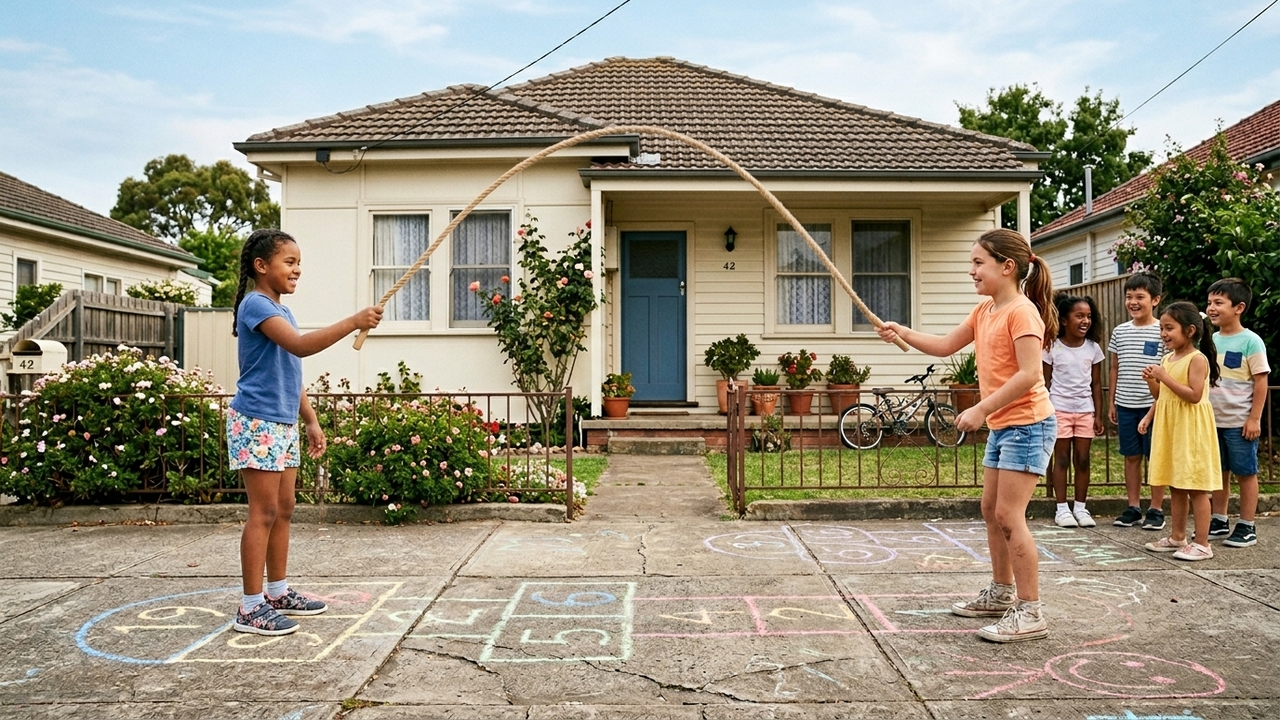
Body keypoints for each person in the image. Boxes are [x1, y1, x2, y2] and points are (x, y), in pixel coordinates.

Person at [878, 228, 1057, 643]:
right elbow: (944, 345)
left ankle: (1030, 610)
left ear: (1007, 267)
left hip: (1028, 425)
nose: (971, 271)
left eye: (979, 263)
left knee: (1009, 516)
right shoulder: (985, 311)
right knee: (991, 510)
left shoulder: (1022, 312)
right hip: (1005, 425)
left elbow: (1030, 374)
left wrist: (980, 408)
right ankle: (1001, 592)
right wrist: (901, 331)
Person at [228, 229, 383, 635]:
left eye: (299, 263)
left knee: (284, 508)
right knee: (263, 513)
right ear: (261, 266)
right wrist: (353, 322)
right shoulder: (255, 305)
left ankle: (277, 592)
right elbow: (299, 346)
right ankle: (250, 606)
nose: (298, 269)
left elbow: (290, 371)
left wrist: (310, 419)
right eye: (290, 262)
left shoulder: (280, 310)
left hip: (281, 422)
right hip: (257, 421)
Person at [1139, 301, 1222, 561]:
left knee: (1195, 487)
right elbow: (1161, 395)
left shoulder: (1197, 359)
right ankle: (1177, 536)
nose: (1163, 333)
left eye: (1169, 328)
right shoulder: (1167, 358)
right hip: (1172, 427)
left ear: (1189, 330)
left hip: (1190, 430)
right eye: (1162, 328)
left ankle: (1202, 544)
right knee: (1176, 483)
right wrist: (1153, 381)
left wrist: (1164, 377)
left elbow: (1194, 395)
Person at [1205, 278, 1270, 548]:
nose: (1211, 308)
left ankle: (1247, 525)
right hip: (1212, 421)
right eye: (1209, 302)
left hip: (1239, 422)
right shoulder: (1209, 340)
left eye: (1218, 302)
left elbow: (1261, 380)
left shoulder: (1251, 341)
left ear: (1239, 307)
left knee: (1245, 472)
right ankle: (1219, 519)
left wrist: (1254, 418)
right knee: (1218, 472)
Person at [1107, 273, 1167, 531]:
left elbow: (1168, 371)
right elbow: (1115, 367)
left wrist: (1156, 405)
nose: (1133, 302)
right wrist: (1112, 402)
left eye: (1140, 297)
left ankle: (1156, 508)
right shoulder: (1119, 331)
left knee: (1156, 456)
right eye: (1129, 297)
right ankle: (1133, 507)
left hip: (1155, 405)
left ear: (1155, 300)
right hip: (1126, 404)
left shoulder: (1163, 330)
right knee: (1131, 456)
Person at [1043, 294, 1105, 528]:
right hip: (1059, 410)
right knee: (1061, 459)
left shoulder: (1093, 348)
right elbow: (1045, 383)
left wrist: (1098, 415)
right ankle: (1062, 509)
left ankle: (1080, 507)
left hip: (1085, 411)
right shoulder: (1052, 347)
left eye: (1088, 316)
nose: (1085, 321)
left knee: (1083, 459)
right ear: (1064, 320)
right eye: (1079, 316)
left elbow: (1096, 384)